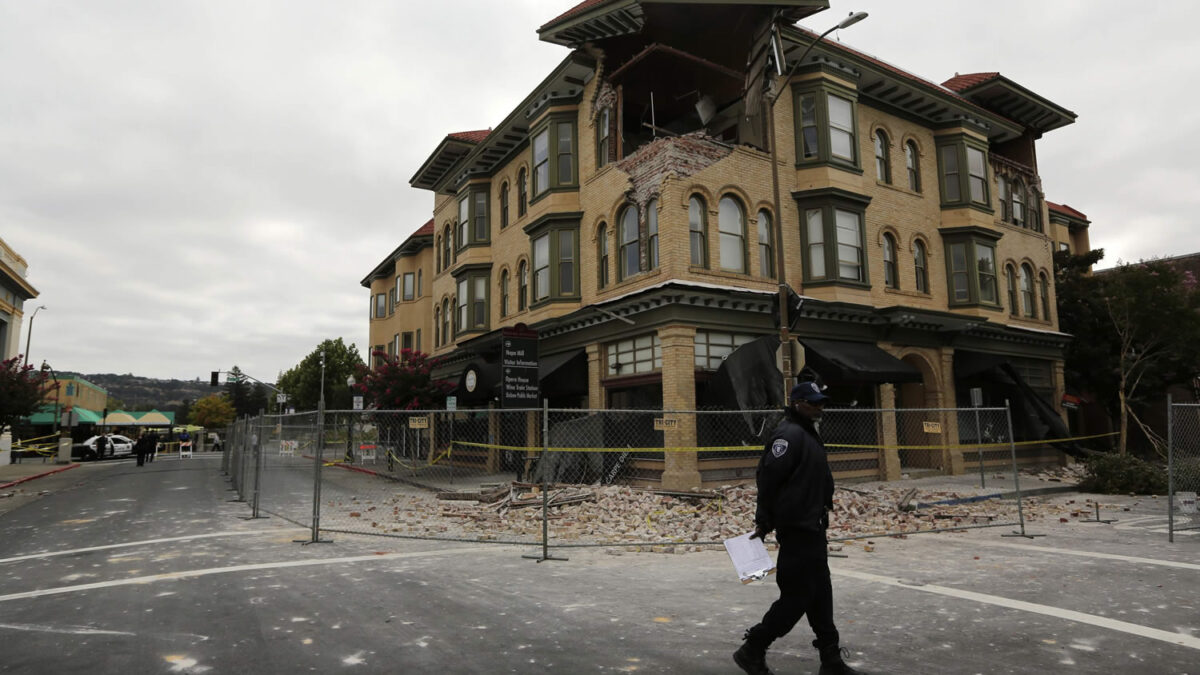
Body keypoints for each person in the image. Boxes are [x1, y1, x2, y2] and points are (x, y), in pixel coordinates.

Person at [734, 381, 862, 675]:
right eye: (813, 402)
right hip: (797, 530)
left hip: (813, 529)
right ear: (796, 403)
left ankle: (830, 659)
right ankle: (752, 647)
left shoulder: (807, 432)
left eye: (821, 402)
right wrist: (764, 520)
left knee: (821, 595)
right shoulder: (788, 435)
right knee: (796, 598)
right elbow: (768, 479)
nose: (819, 407)